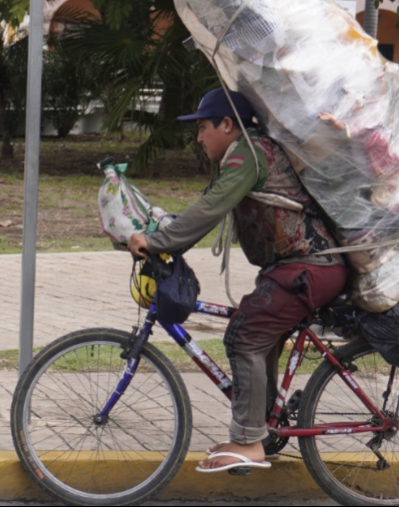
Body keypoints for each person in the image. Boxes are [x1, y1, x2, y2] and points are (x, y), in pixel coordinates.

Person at [128, 88, 346, 474]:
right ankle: (259, 432)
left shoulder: (249, 152)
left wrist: (160, 242)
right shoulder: (244, 153)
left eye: (202, 127)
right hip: (300, 269)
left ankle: (248, 442)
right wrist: (164, 230)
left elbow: (210, 210)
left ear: (227, 124)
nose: (198, 137)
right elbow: (206, 205)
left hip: (309, 268)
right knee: (258, 332)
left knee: (244, 335)